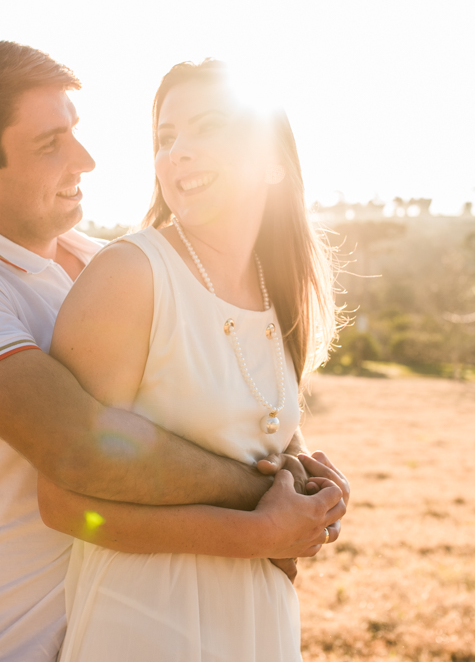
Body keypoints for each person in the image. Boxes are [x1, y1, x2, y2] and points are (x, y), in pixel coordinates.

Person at [0, 41, 346, 661]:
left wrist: (298, 469)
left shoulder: (104, 264)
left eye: (75, 132)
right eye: (50, 144)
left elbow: (202, 404)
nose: (86, 159)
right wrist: (266, 506)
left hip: (125, 618)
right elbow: (81, 448)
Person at [38, 59, 348, 662]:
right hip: (146, 622)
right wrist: (255, 534)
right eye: (166, 137)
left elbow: (257, 450)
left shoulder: (274, 285)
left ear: (273, 161)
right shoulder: (130, 275)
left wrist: (312, 488)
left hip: (258, 624)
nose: (179, 151)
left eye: (208, 128)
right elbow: (65, 504)